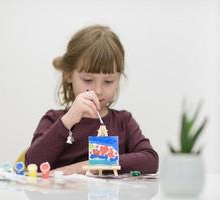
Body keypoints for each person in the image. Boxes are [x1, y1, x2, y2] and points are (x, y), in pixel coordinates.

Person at [25, 25, 159, 175]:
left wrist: (90, 165)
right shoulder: (54, 119)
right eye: (88, 80)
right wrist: (68, 121)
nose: (98, 90)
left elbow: (151, 160)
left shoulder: (124, 122)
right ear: (69, 75)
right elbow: (32, 164)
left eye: (108, 81)